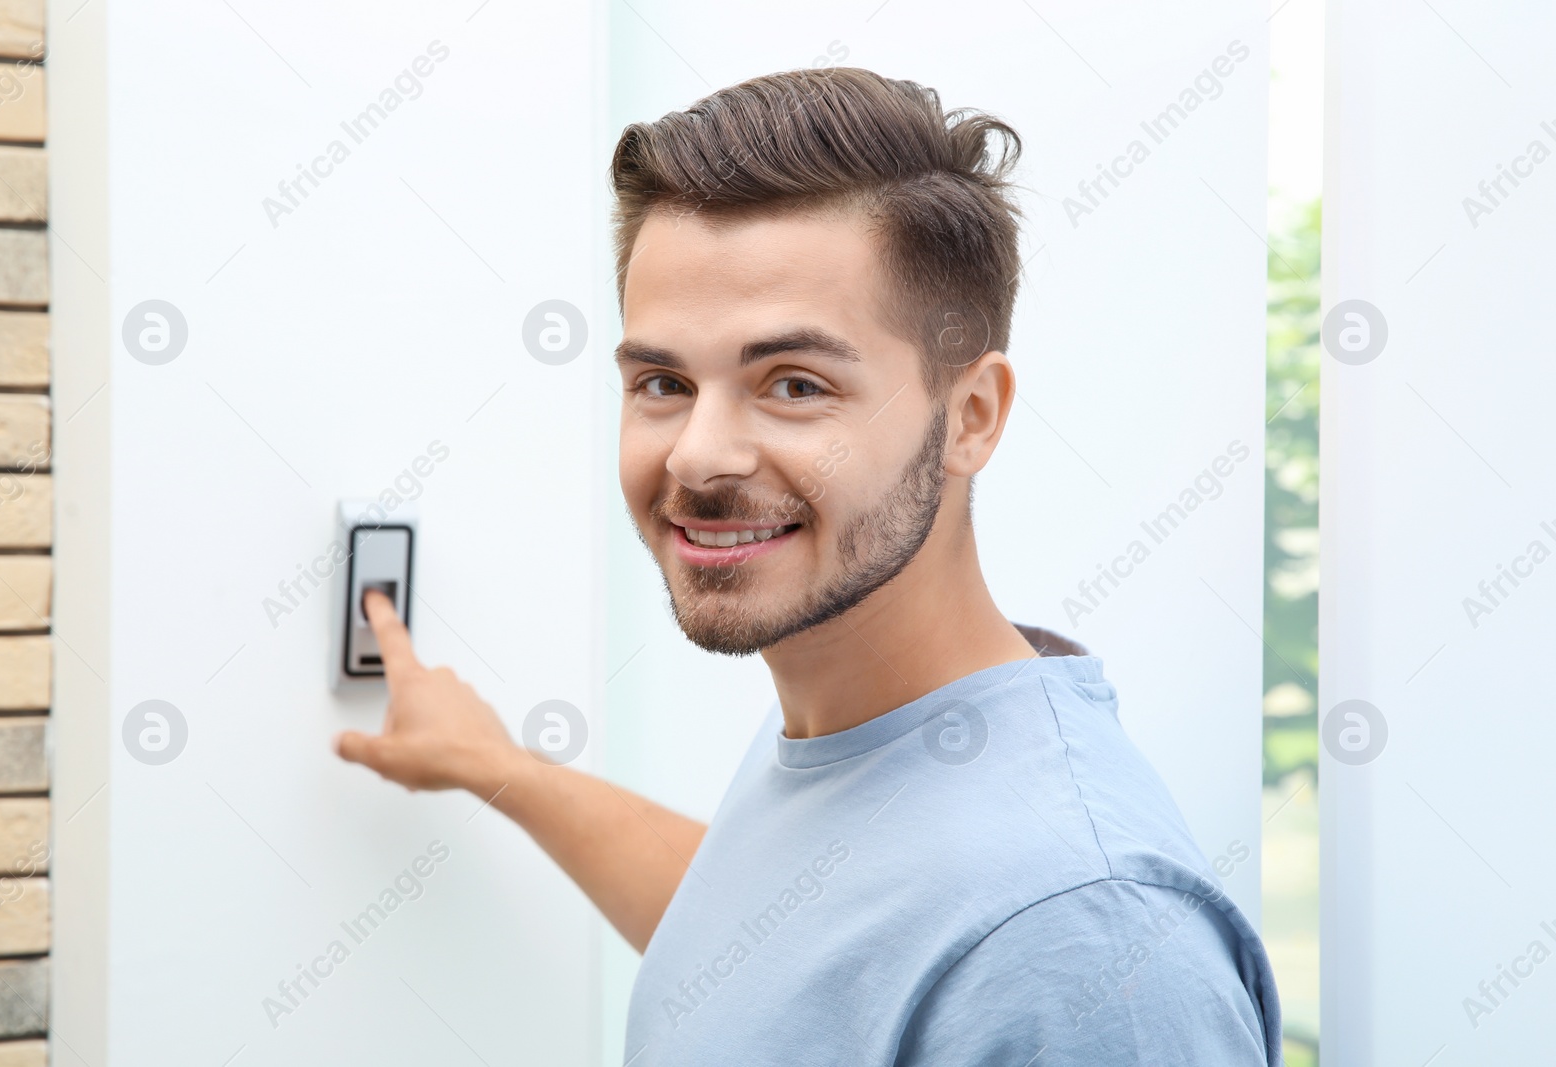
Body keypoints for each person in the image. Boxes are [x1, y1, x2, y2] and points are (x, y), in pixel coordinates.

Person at [336, 66, 1280, 1065]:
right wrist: (500, 768)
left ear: (970, 416)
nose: (697, 454)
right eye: (661, 380)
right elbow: (788, 960)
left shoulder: (1083, 940)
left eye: (792, 383)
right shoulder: (858, 722)